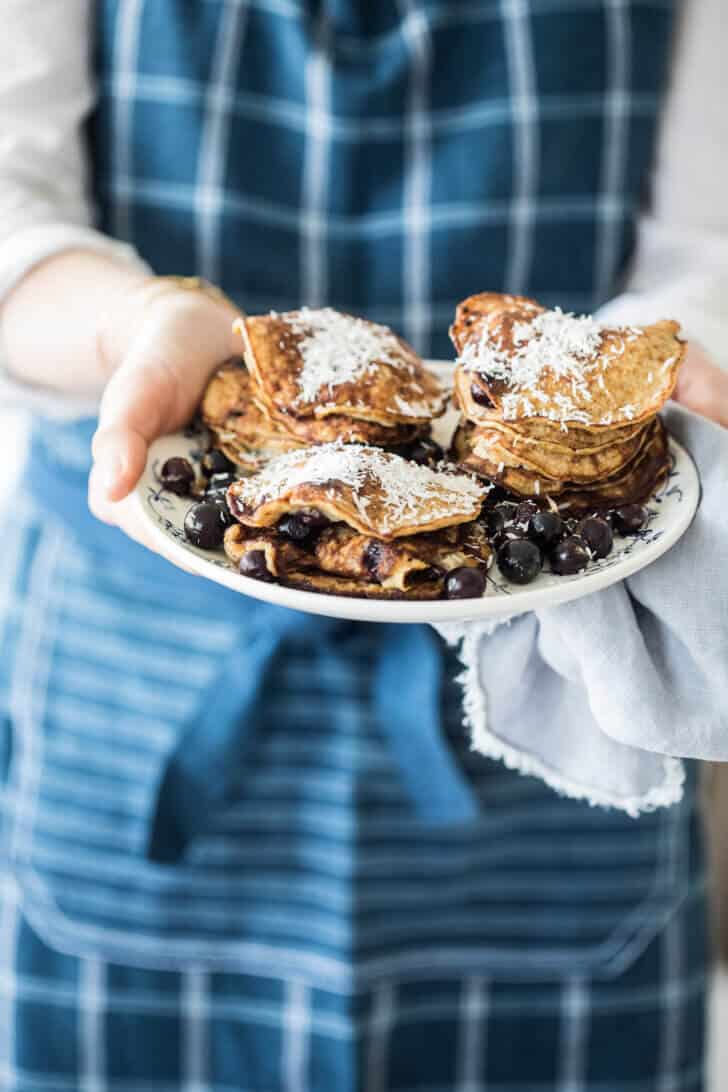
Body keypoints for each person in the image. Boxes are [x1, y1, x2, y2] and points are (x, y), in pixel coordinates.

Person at [0, 0, 727, 1088]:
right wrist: (133, 328)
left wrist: (653, 367)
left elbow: (708, 239)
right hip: (138, 679)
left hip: (546, 695)